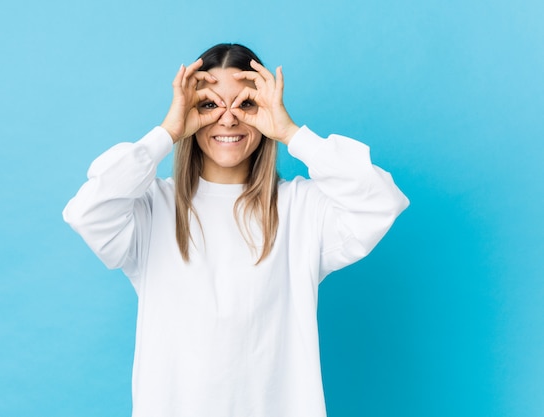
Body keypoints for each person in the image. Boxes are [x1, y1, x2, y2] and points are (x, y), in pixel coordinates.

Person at [63, 43, 409, 417]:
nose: (228, 120)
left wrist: (292, 133)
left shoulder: (301, 209)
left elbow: (382, 201)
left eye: (246, 104)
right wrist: (167, 132)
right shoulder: (153, 209)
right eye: (209, 105)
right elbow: (87, 211)